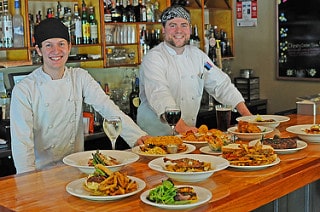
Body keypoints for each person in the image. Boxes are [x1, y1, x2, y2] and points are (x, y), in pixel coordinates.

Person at [10, 18, 148, 174]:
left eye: (61, 44)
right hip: (41, 173)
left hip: (77, 169)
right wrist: (27, 179)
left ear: (69, 47)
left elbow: (107, 108)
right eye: (49, 45)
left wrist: (138, 137)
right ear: (39, 50)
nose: (56, 51)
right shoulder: (24, 89)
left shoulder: (80, 77)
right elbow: (22, 142)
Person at [137, 5, 252, 136]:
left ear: (190, 29)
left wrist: (247, 116)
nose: (179, 30)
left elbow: (221, 84)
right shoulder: (153, 58)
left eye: (184, 25)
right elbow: (159, 93)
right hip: (155, 136)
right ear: (163, 29)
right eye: (172, 25)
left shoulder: (199, 56)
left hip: (188, 134)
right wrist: (182, 127)